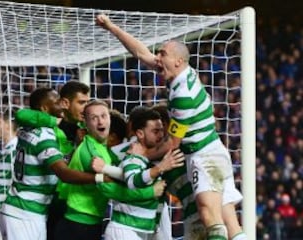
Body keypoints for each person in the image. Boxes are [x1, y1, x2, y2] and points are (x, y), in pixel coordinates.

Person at [96, 14, 246, 240]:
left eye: (162, 54)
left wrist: (142, 153)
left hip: (203, 156)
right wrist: (111, 27)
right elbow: (140, 53)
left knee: (209, 216)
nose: (157, 57)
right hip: (213, 151)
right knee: (230, 222)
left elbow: (172, 144)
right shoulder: (178, 75)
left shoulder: (184, 96)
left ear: (178, 61)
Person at [0, 88, 107, 240]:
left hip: (28, 210)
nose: (61, 106)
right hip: (25, 212)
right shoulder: (45, 135)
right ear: (44, 108)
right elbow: (63, 172)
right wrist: (100, 178)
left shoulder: (29, 128)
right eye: (57, 102)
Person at [55, 100, 167, 240]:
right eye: (94, 118)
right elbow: (110, 188)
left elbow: (123, 178)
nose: (100, 122)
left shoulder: (105, 149)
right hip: (78, 223)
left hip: (90, 221)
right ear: (85, 123)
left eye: (104, 116)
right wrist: (150, 192)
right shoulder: (92, 152)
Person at [93, 106, 184, 240]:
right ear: (139, 132)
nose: (162, 135)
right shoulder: (122, 153)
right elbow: (105, 184)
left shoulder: (168, 154)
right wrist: (150, 191)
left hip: (153, 222)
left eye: (163, 129)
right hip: (126, 224)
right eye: (156, 131)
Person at [14, 80, 90, 239]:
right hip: (49, 201)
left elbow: (67, 161)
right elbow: (21, 114)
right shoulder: (49, 127)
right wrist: (57, 121)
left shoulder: (85, 128)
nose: (86, 107)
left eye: (87, 102)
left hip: (75, 202)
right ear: (65, 103)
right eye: (81, 103)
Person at [0, 108, 18, 240]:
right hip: (0, 213)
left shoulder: (14, 151)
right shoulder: (8, 149)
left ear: (9, 125)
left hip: (5, 215)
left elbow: (6, 186)